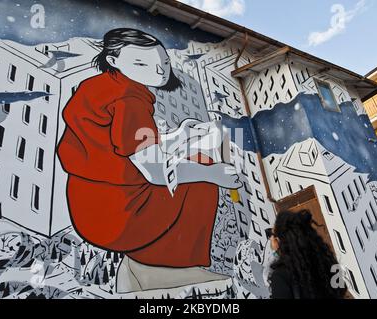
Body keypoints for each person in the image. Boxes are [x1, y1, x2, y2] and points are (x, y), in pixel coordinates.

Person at [57, 28, 241, 293]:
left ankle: (149, 265)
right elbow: (155, 172)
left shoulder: (99, 87)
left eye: (164, 63)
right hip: (118, 218)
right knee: (201, 169)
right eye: (142, 63)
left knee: (193, 164)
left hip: (91, 206)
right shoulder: (130, 99)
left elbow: (129, 147)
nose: (159, 72)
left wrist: (180, 135)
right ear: (113, 59)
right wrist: (212, 174)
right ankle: (176, 268)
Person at [265, 210, 347, 299]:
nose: (270, 238)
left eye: (271, 234)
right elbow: (341, 291)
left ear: (279, 240)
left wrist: (276, 254)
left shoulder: (281, 276)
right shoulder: (326, 261)